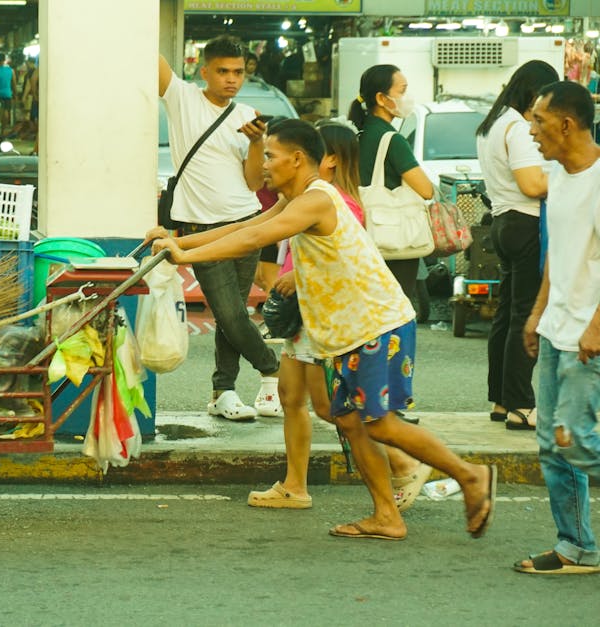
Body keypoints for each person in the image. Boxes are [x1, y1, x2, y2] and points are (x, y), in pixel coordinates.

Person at [146, 118, 496, 541]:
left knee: (379, 424)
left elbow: (255, 238)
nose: (264, 165)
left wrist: (184, 257)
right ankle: (387, 516)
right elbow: (245, 228)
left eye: (271, 156)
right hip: (349, 334)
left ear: (297, 159)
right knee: (348, 420)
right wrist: (180, 241)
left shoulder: (316, 200)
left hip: (376, 326)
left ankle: (469, 474)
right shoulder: (295, 199)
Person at [246, 120, 429, 512]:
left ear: (327, 159)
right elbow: (254, 228)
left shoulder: (334, 201)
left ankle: (404, 464)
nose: (269, 163)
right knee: (291, 397)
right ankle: (296, 485)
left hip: (328, 318)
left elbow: (339, 261)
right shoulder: (301, 197)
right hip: (306, 316)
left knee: (333, 409)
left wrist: (297, 276)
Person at [158, 35, 281, 421]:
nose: (231, 79)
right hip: (201, 227)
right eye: (223, 71)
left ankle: (223, 392)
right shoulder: (182, 97)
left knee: (234, 317)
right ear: (204, 71)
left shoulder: (246, 114)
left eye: (239, 72)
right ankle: (273, 369)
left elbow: (253, 183)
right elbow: (148, 55)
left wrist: (258, 142)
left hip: (246, 221)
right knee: (229, 314)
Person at [513, 81, 600, 574]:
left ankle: (577, 544)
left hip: (589, 336)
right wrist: (537, 313)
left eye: (539, 121)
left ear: (567, 125)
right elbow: (557, 253)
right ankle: (576, 546)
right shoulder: (560, 176)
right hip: (556, 328)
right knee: (552, 444)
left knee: (577, 442)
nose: (531, 131)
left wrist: (596, 328)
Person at [475, 61, 559, 432]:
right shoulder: (519, 129)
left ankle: (501, 400)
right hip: (525, 223)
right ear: (534, 92)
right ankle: (521, 405)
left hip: (502, 223)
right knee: (526, 316)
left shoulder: (493, 123)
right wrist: (568, 179)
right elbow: (531, 184)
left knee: (507, 315)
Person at [348, 65, 435, 312]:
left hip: (360, 233)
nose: (407, 97)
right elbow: (426, 190)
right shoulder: (392, 139)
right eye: (402, 91)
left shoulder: (358, 132)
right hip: (394, 241)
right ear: (381, 98)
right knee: (395, 309)